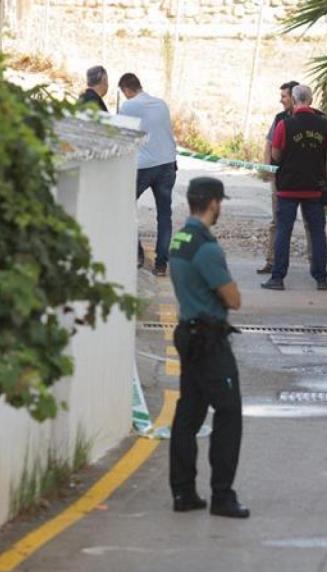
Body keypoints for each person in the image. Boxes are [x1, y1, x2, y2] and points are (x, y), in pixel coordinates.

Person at [168, 176, 250, 519]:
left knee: (189, 414)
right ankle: (222, 495)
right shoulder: (207, 247)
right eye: (221, 203)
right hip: (210, 339)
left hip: (187, 332)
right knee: (228, 415)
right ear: (214, 203)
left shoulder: (179, 239)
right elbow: (233, 299)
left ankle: (184, 492)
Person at [260, 84, 327, 292]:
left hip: (288, 187)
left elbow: (276, 154)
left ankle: (278, 277)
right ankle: (321, 278)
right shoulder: (325, 125)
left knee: (284, 231)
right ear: (310, 100)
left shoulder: (285, 124)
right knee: (318, 233)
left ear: (294, 99)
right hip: (315, 188)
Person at [119, 73, 178, 276]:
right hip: (168, 164)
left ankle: (137, 254)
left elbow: (122, 135)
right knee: (164, 215)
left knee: (124, 207)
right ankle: (161, 265)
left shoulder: (129, 106)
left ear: (126, 89)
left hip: (143, 167)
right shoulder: (161, 104)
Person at [257, 81, 312, 275]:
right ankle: (272, 261)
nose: (281, 100)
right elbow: (269, 144)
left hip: (307, 178)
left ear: (294, 97)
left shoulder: (315, 118)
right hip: (281, 179)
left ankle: (315, 262)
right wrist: (269, 169)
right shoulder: (280, 118)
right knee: (277, 221)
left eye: (284, 97)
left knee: (309, 222)